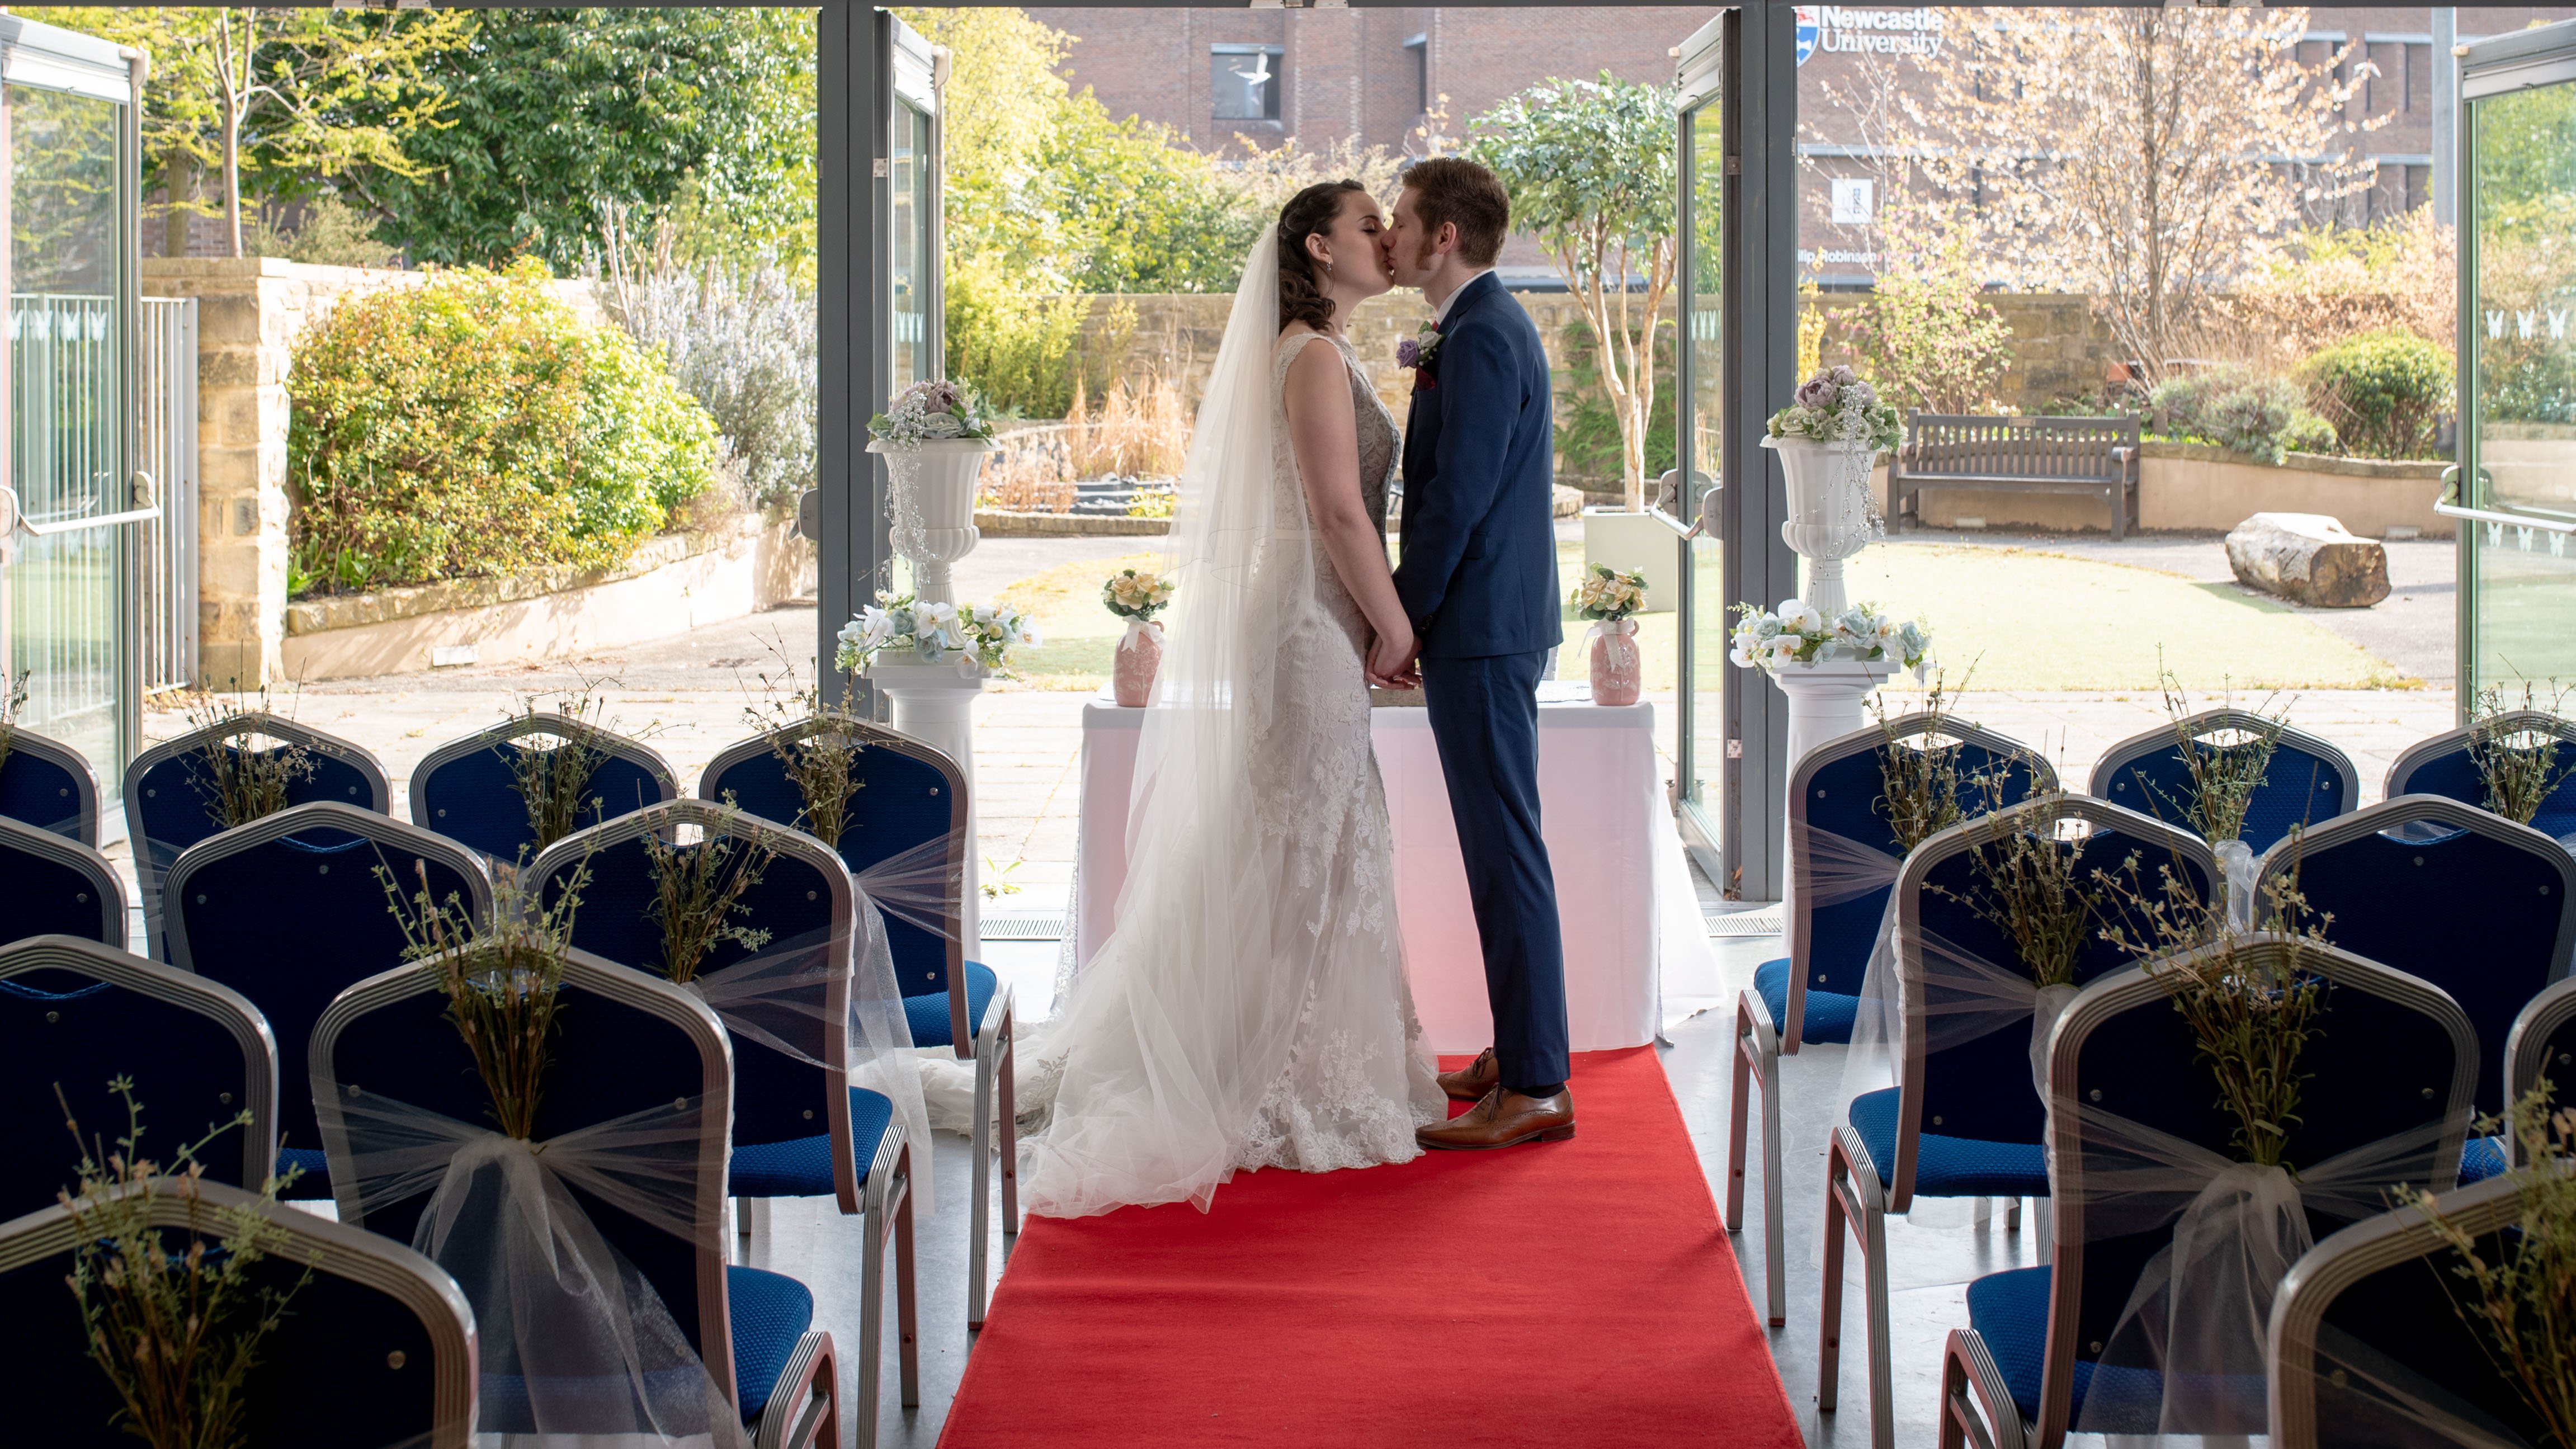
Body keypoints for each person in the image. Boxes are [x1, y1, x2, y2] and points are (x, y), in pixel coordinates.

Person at [1007, 179, 1446, 1218]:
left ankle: (1292, 1051)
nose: (1384, 239)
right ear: (1315, 245)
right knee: (1297, 842)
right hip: (1307, 627)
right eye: (1365, 226)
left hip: (1312, 621)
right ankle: (1264, 1074)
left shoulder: (1313, 349)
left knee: (1305, 840)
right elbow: (1339, 514)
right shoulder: (1309, 356)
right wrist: (1393, 625)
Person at [1379, 157, 1575, 1150]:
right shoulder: (1476, 328)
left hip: (1485, 630)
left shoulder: (1488, 333)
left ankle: (1539, 1083)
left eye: (1404, 219)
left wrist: (1401, 620)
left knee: (1505, 853)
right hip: (1487, 626)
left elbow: (1455, 499)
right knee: (1499, 849)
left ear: (1443, 235)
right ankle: (1521, 1042)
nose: (1393, 236)